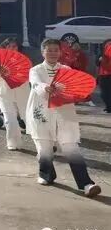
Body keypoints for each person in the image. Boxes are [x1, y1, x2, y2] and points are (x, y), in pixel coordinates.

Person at [27, 38, 101, 198]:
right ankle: (46, 174)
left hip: (64, 112)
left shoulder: (66, 69)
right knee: (44, 148)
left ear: (60, 52)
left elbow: (73, 87)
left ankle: (87, 184)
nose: (53, 53)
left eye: (56, 50)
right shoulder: (36, 70)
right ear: (43, 52)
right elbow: (35, 84)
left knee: (71, 148)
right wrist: (45, 88)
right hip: (42, 112)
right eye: (49, 50)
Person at [0, 38, 30, 150]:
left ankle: (44, 142)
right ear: (5, 48)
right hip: (5, 94)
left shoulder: (22, 59)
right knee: (9, 120)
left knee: (28, 118)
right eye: (10, 46)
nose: (13, 48)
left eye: (15, 46)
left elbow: (29, 75)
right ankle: (13, 143)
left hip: (22, 92)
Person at [97, 39, 111, 113]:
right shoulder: (102, 53)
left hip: (105, 74)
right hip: (103, 74)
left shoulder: (105, 53)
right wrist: (100, 60)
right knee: (105, 93)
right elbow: (97, 62)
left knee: (105, 93)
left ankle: (109, 107)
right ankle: (108, 107)